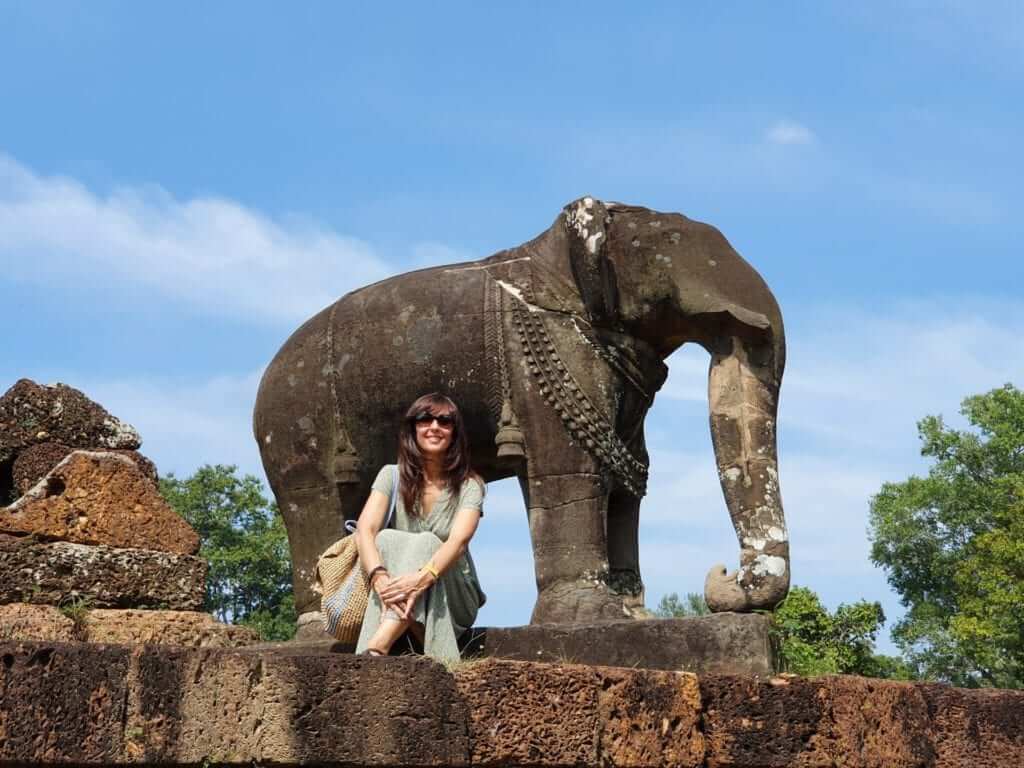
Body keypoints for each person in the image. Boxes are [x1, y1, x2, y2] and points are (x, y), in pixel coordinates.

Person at [354, 393, 486, 660]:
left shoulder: (471, 485)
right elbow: (365, 531)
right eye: (425, 419)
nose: (434, 427)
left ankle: (378, 643)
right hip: (393, 589)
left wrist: (420, 579)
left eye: (444, 421)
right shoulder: (391, 475)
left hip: (452, 594)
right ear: (413, 428)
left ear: (454, 433)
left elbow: (457, 542)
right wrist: (379, 577)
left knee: (427, 541)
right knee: (386, 537)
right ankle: (393, 632)